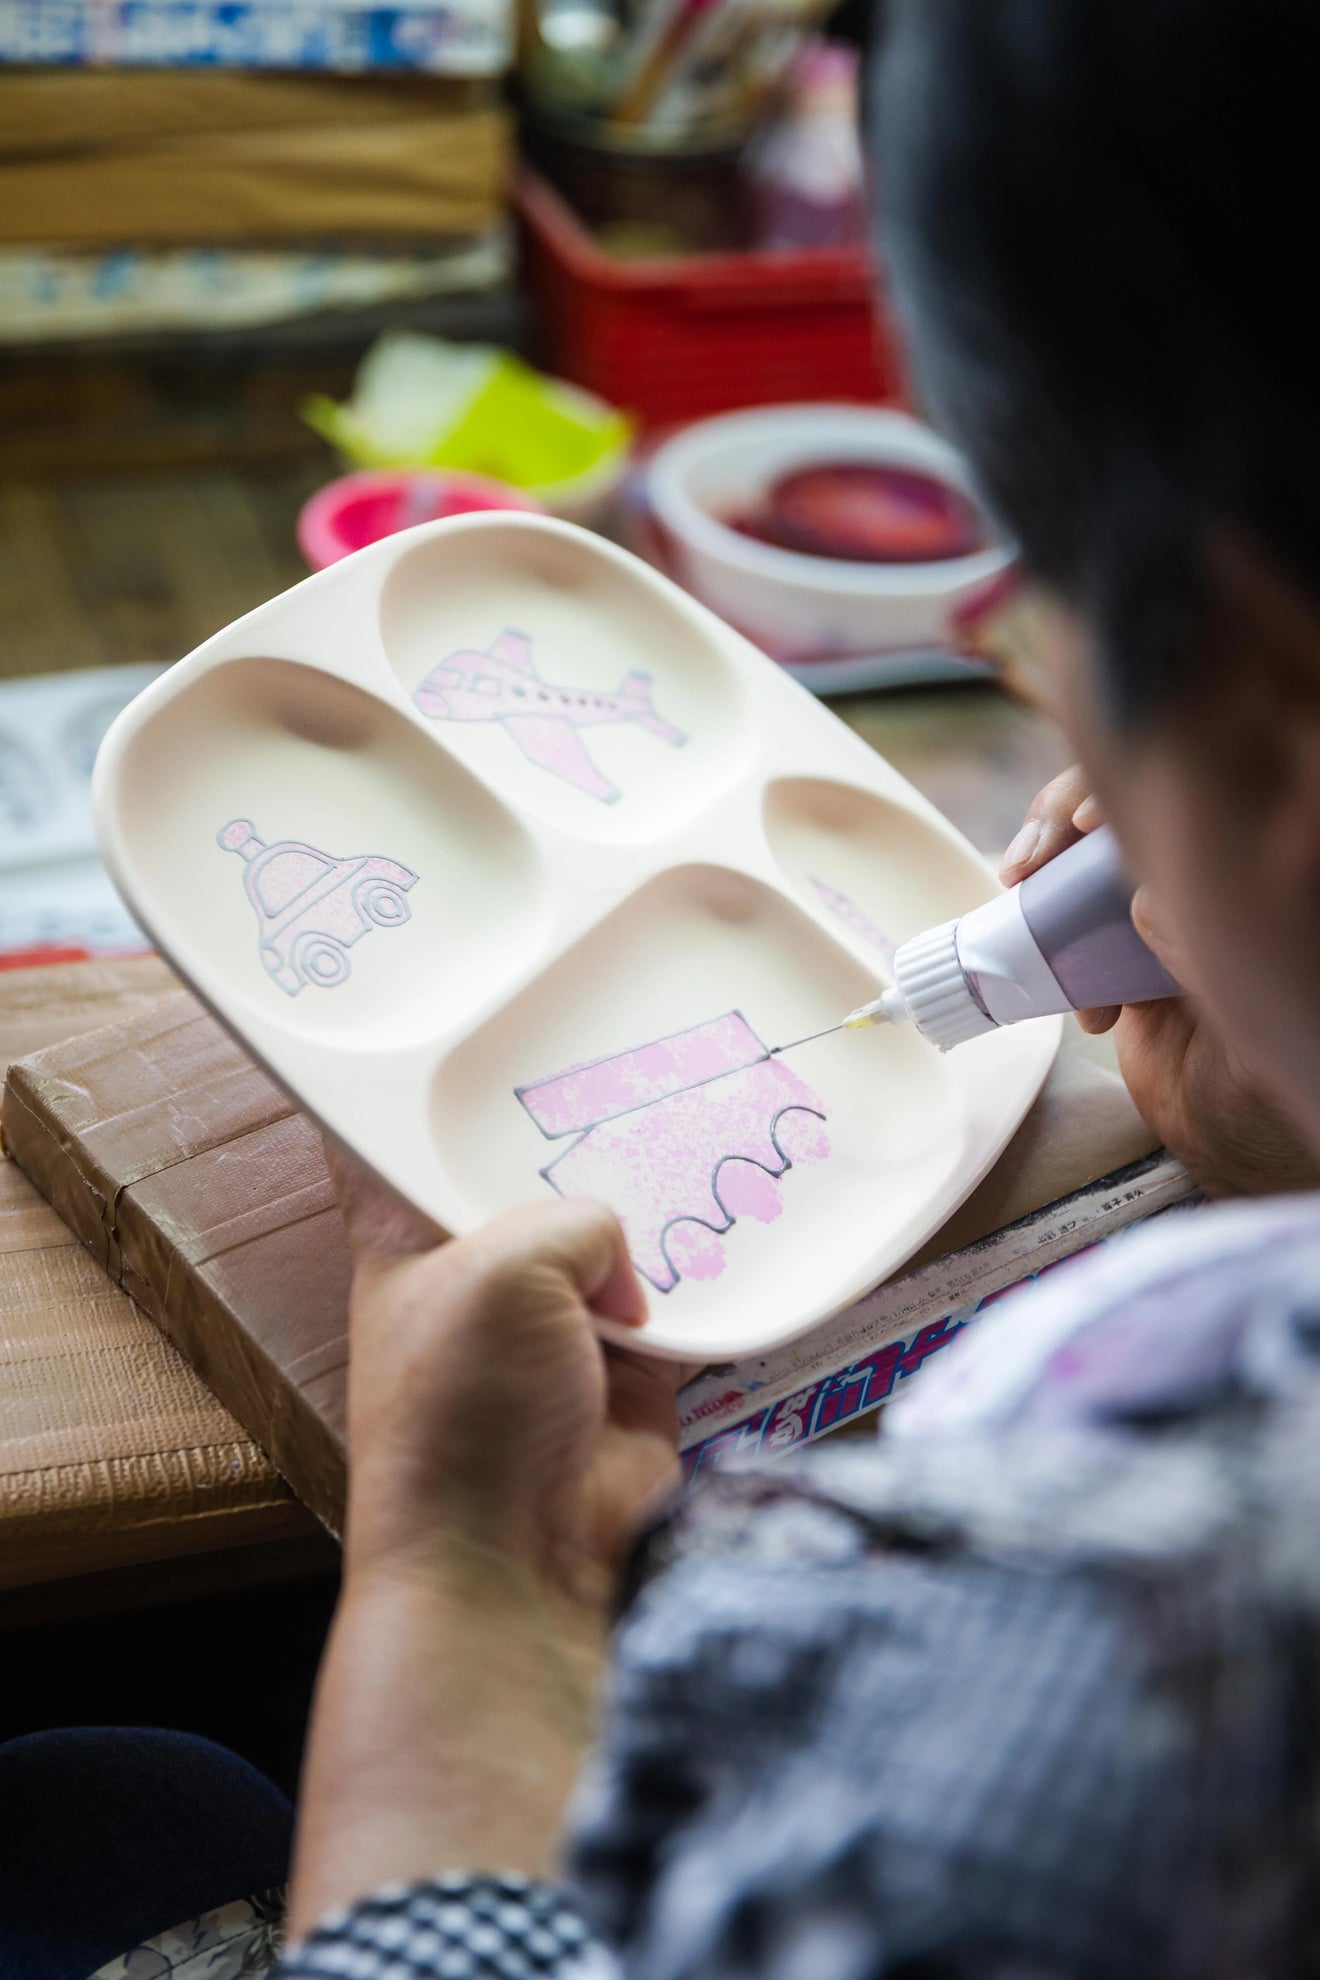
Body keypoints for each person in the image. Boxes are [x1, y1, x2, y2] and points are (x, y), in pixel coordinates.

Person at [10, 0, 1320, 1973]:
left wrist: (472, 1589)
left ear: (1266, 705)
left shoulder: (1068, 1630)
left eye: (1037, 599)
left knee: (105, 1816)